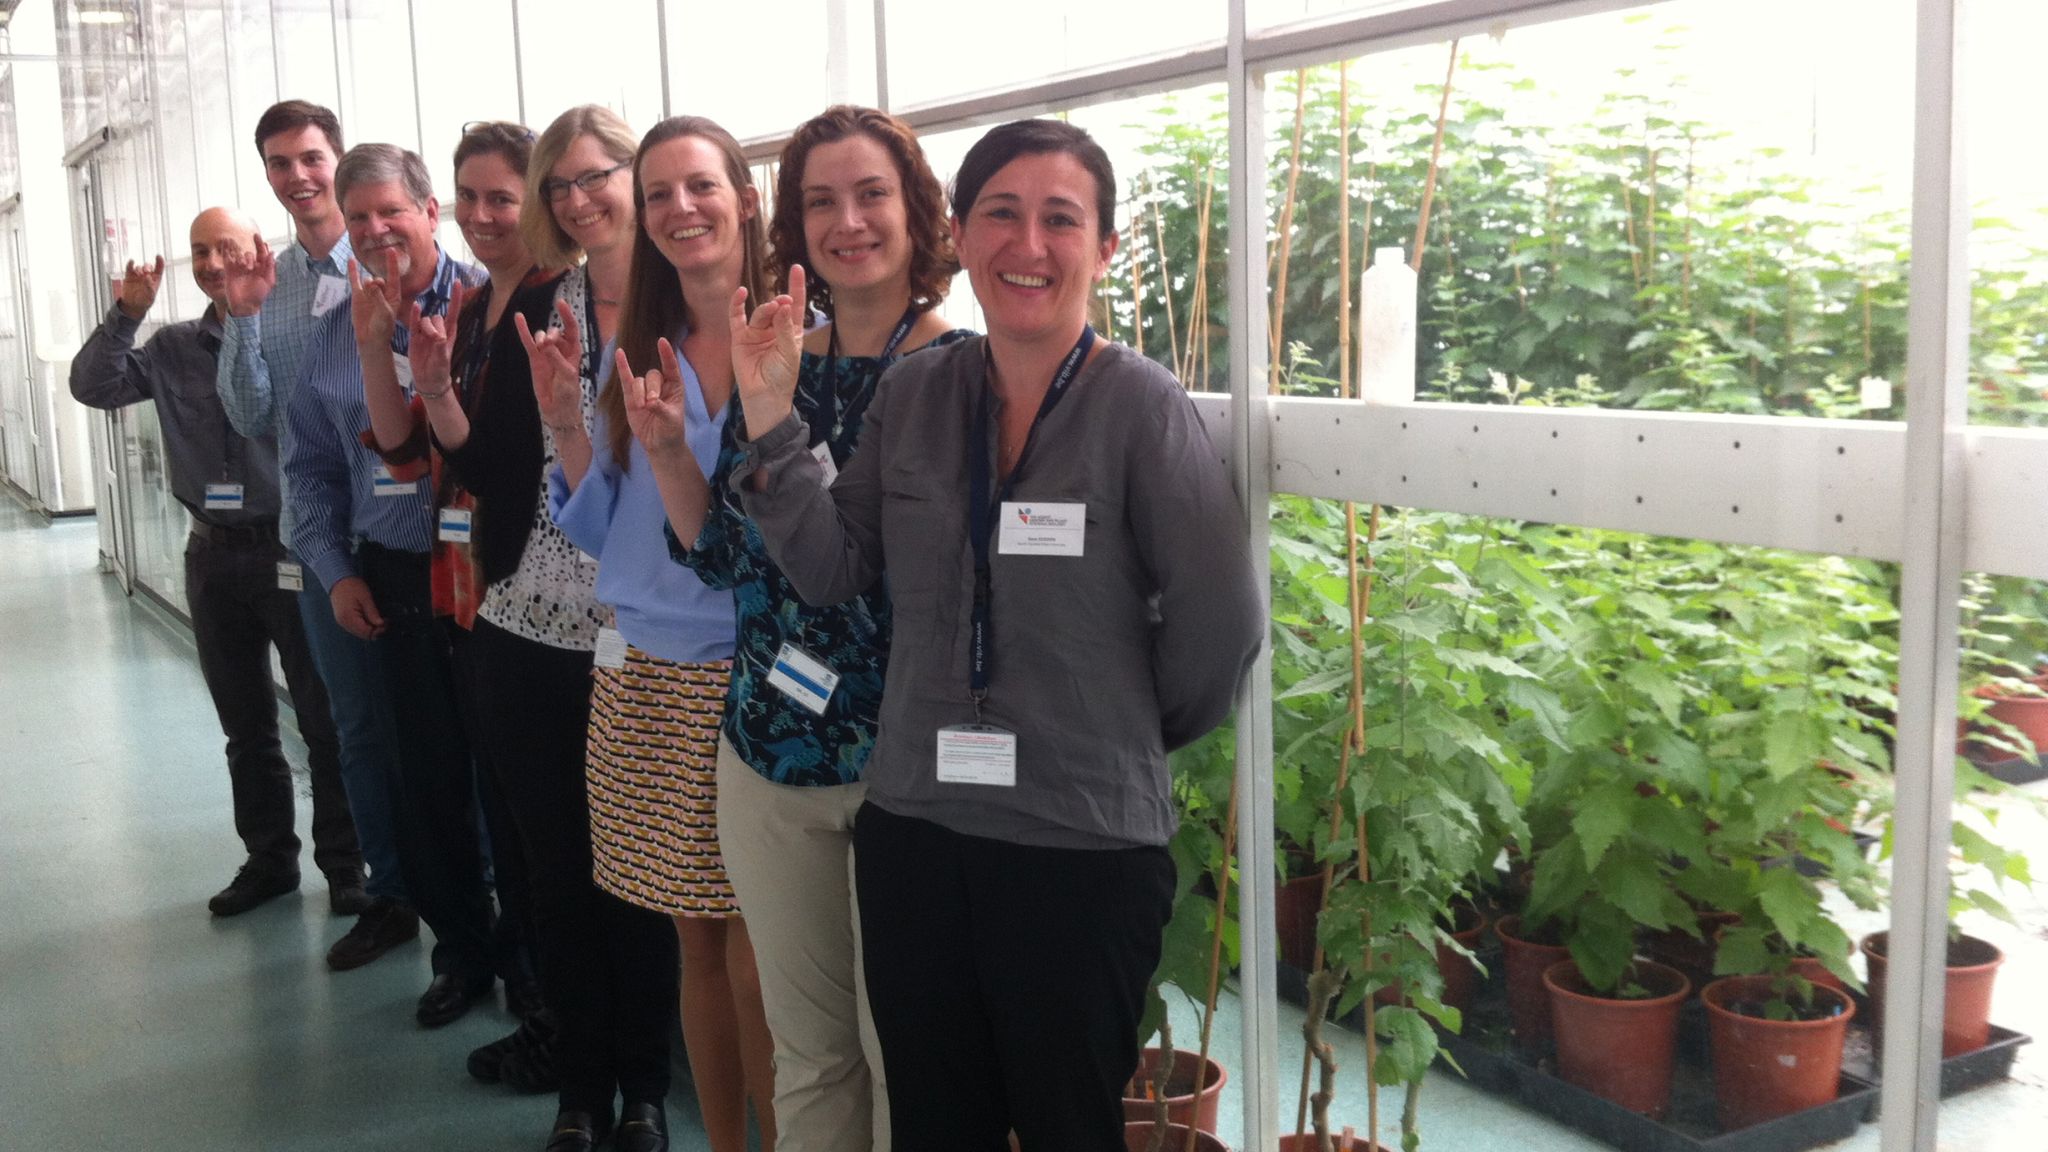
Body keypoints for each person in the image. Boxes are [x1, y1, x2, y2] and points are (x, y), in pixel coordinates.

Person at [726, 119, 1264, 1152]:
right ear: (963, 238)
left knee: (1067, 1124)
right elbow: (835, 568)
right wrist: (770, 418)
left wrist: (1106, 732)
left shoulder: (1138, 409)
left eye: (1060, 219)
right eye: (1001, 216)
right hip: (917, 831)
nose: (1028, 245)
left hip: (1080, 846)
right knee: (935, 1122)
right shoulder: (916, 394)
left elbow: (1218, 631)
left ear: (1102, 247)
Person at [647, 104, 970, 1152]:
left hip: (904, 772)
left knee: (902, 1051)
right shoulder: (773, 351)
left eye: (871, 193)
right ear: (789, 224)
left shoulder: (962, 374)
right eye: (819, 200)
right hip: (766, 754)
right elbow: (729, 563)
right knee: (808, 1051)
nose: (847, 221)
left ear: (917, 212)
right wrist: (666, 452)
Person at [534, 114, 772, 1152]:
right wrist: (564, 428)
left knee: (770, 952)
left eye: (700, 187)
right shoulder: (646, 343)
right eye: (662, 191)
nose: (680, 210)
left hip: (745, 674)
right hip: (638, 676)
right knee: (697, 948)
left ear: (745, 196)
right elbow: (605, 525)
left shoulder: (789, 341)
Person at [70, 207, 365, 919]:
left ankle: (346, 868)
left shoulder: (291, 333)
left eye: (225, 248)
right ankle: (270, 862)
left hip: (292, 549)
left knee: (322, 721)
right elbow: (92, 386)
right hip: (212, 556)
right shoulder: (171, 347)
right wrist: (125, 314)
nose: (211, 263)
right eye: (200, 252)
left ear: (256, 252)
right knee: (246, 726)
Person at [353, 122, 568, 1082]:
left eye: (502, 198)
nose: (486, 217)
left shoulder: (565, 305)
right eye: (471, 197)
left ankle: (554, 1005)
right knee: (477, 795)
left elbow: (528, 464)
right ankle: (522, 989)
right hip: (467, 587)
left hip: (546, 595)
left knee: (536, 823)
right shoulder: (476, 310)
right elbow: (413, 452)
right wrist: (382, 350)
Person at [284, 141, 515, 1030]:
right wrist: (335, 573)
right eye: (360, 217)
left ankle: (526, 960)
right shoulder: (332, 330)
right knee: (424, 780)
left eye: (393, 211)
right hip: (390, 576)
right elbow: (305, 466)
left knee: (504, 773)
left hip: (490, 571)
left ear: (430, 211)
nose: (378, 230)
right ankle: (458, 955)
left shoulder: (488, 305)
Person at [216, 100, 416, 969]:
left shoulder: (399, 264)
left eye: (309, 158)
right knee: (353, 727)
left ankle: (480, 893)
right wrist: (246, 314)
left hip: (420, 534)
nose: (297, 176)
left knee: (450, 724)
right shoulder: (275, 284)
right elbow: (252, 414)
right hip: (323, 540)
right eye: (278, 162)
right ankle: (388, 889)